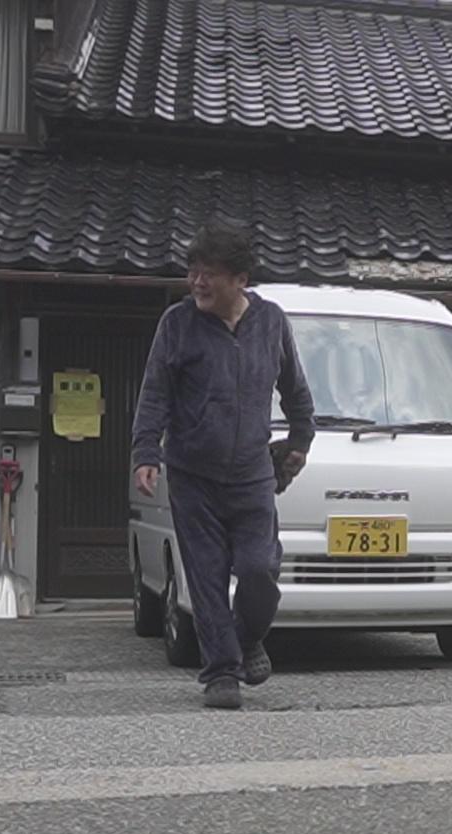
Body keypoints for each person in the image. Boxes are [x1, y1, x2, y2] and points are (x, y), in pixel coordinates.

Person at [132, 220, 316, 709]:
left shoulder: (272, 322)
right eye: (192, 272)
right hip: (193, 475)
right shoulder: (177, 324)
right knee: (208, 575)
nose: (197, 283)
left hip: (254, 473)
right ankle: (220, 674)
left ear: (240, 279)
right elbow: (155, 395)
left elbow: (295, 390)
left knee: (259, 569)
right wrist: (145, 452)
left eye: (208, 274)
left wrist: (301, 438)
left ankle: (248, 636)